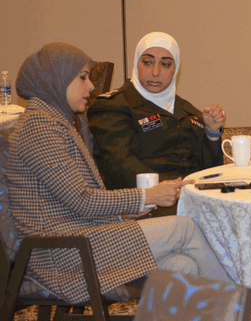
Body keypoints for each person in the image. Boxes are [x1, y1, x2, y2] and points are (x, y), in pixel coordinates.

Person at [6, 43, 231, 305]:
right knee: (184, 228)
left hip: (79, 238)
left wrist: (124, 213)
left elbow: (71, 202)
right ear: (58, 79)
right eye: (83, 77)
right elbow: (82, 200)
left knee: (182, 265)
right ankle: (246, 312)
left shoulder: (54, 123)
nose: (91, 86)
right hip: (61, 253)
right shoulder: (40, 129)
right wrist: (148, 196)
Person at [88, 32, 226, 216]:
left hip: (193, 197)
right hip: (147, 203)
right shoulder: (114, 106)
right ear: (136, 63)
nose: (155, 72)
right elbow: (119, 166)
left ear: (175, 69)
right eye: (147, 62)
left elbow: (210, 172)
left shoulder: (188, 111)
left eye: (165, 64)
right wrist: (164, 190)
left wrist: (212, 134)